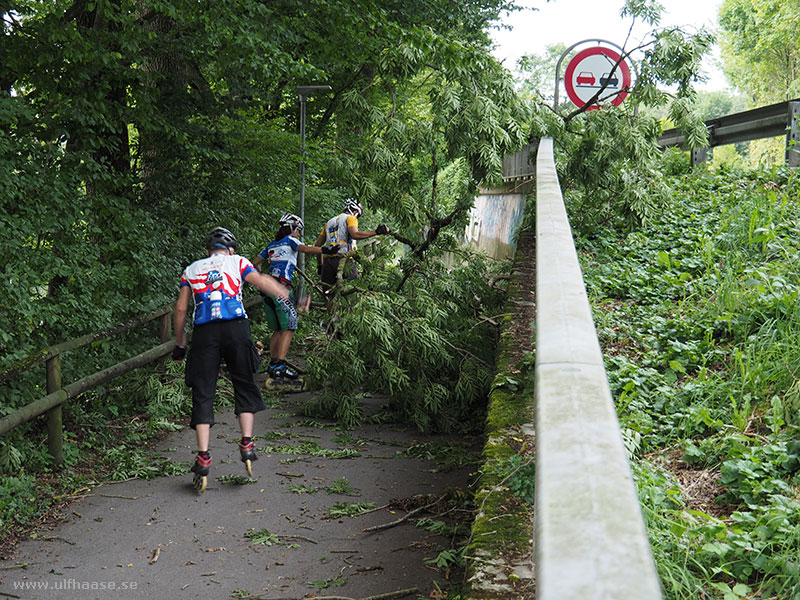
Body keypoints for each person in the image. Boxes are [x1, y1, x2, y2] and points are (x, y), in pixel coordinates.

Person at [171, 226, 290, 490]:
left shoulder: (191, 269)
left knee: (203, 391)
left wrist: (180, 343)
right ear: (231, 249)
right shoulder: (238, 262)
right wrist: (287, 295)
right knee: (244, 381)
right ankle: (246, 442)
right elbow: (261, 281)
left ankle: (203, 457)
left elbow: (180, 309)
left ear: (207, 251)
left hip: (205, 333)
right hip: (236, 328)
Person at [252, 213, 336, 381]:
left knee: (278, 329)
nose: (299, 233)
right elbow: (306, 249)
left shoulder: (271, 245)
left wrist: (261, 279)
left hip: (268, 288)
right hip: (282, 288)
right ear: (291, 228)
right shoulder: (290, 240)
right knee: (289, 326)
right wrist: (325, 250)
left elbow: (253, 264)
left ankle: (273, 365)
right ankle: (280, 367)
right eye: (298, 230)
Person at [315, 197, 390, 294]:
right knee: (352, 291)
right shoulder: (350, 218)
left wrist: (320, 265)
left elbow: (317, 245)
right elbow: (355, 234)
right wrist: (376, 232)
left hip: (327, 262)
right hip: (344, 259)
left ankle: (331, 309)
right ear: (355, 211)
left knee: (329, 296)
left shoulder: (329, 222)